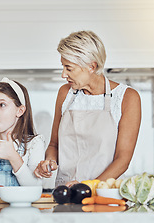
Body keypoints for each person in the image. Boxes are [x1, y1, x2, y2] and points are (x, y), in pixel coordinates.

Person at [33, 30, 141, 187]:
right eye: (63, 67)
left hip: (104, 194)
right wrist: (49, 161)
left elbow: (122, 159)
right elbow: (54, 145)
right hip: (65, 191)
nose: (63, 74)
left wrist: (89, 186)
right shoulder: (65, 94)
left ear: (91, 66)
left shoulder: (127, 98)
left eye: (69, 68)